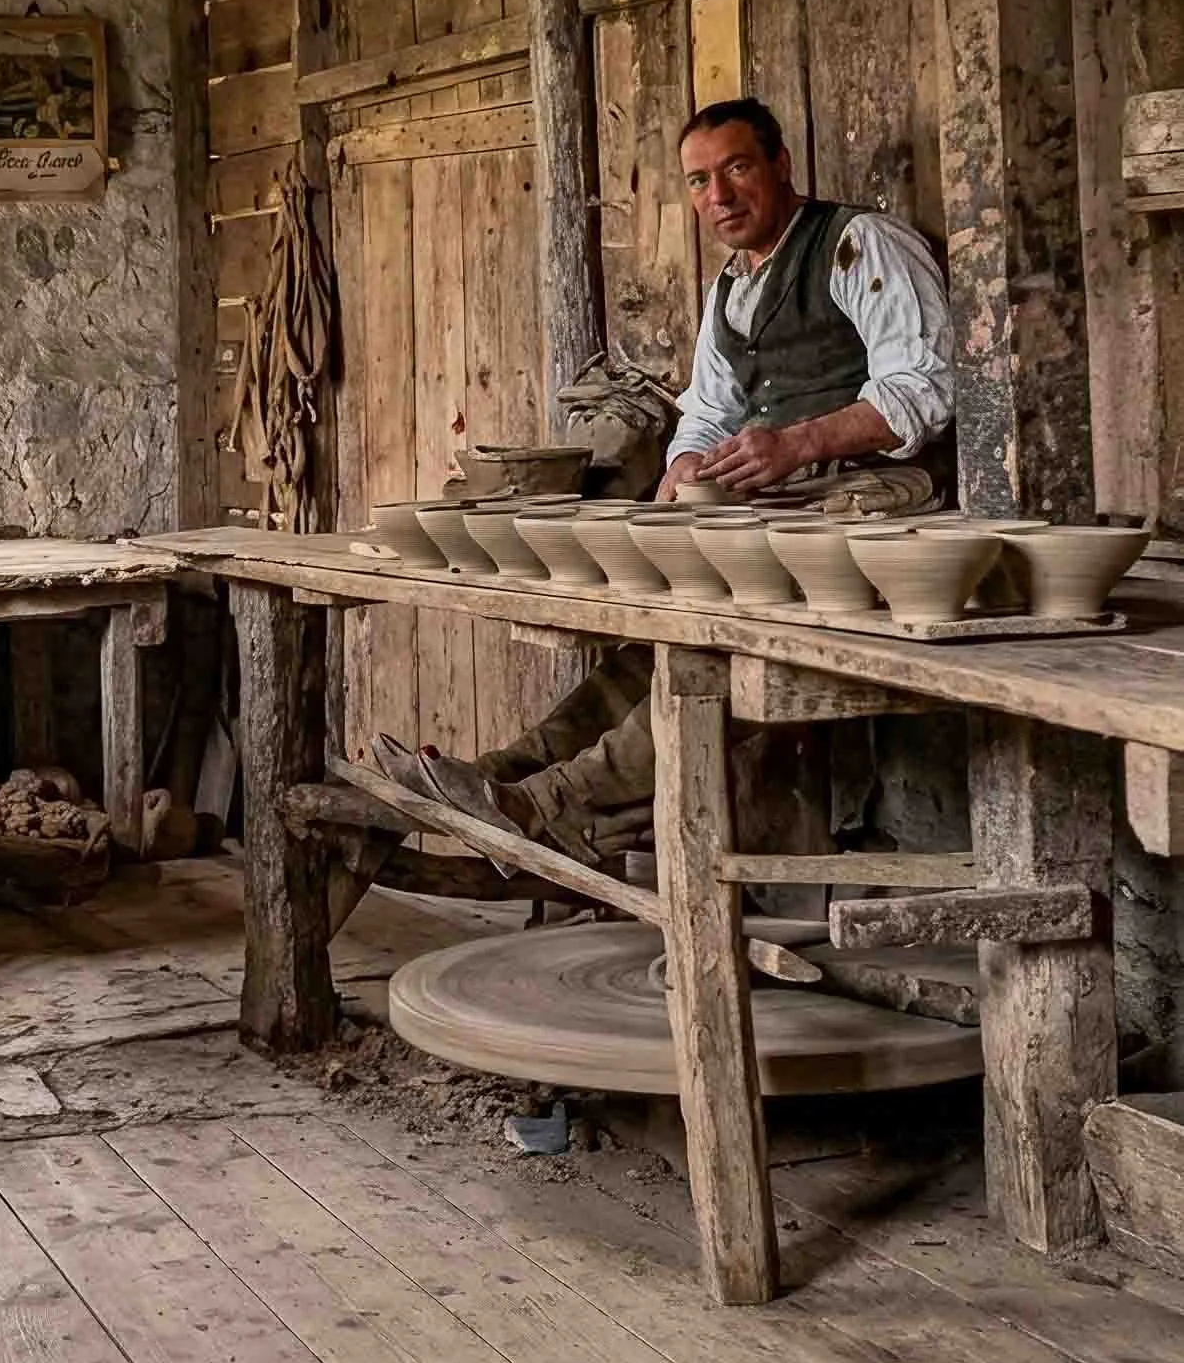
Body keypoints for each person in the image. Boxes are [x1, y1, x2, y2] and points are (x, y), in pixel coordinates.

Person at [377, 97, 956, 862]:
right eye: (698, 181)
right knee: (651, 647)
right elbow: (708, 410)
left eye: (738, 169)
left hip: (883, 513)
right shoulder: (730, 290)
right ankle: (505, 776)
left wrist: (799, 441)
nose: (718, 196)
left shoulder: (858, 245)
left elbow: (929, 385)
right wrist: (685, 462)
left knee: (714, 652)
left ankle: (547, 804)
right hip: (784, 517)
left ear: (782, 166)